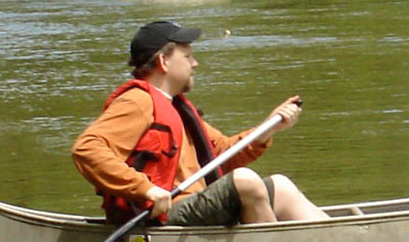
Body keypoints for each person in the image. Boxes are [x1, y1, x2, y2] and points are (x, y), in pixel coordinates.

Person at [72, 21, 329, 226]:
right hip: (158, 215)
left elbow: (223, 155)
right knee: (246, 181)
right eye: (187, 56)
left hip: (191, 204)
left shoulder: (176, 107)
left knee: (280, 186)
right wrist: (146, 189)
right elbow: (87, 149)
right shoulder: (137, 102)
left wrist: (268, 129)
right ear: (163, 62)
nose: (195, 63)